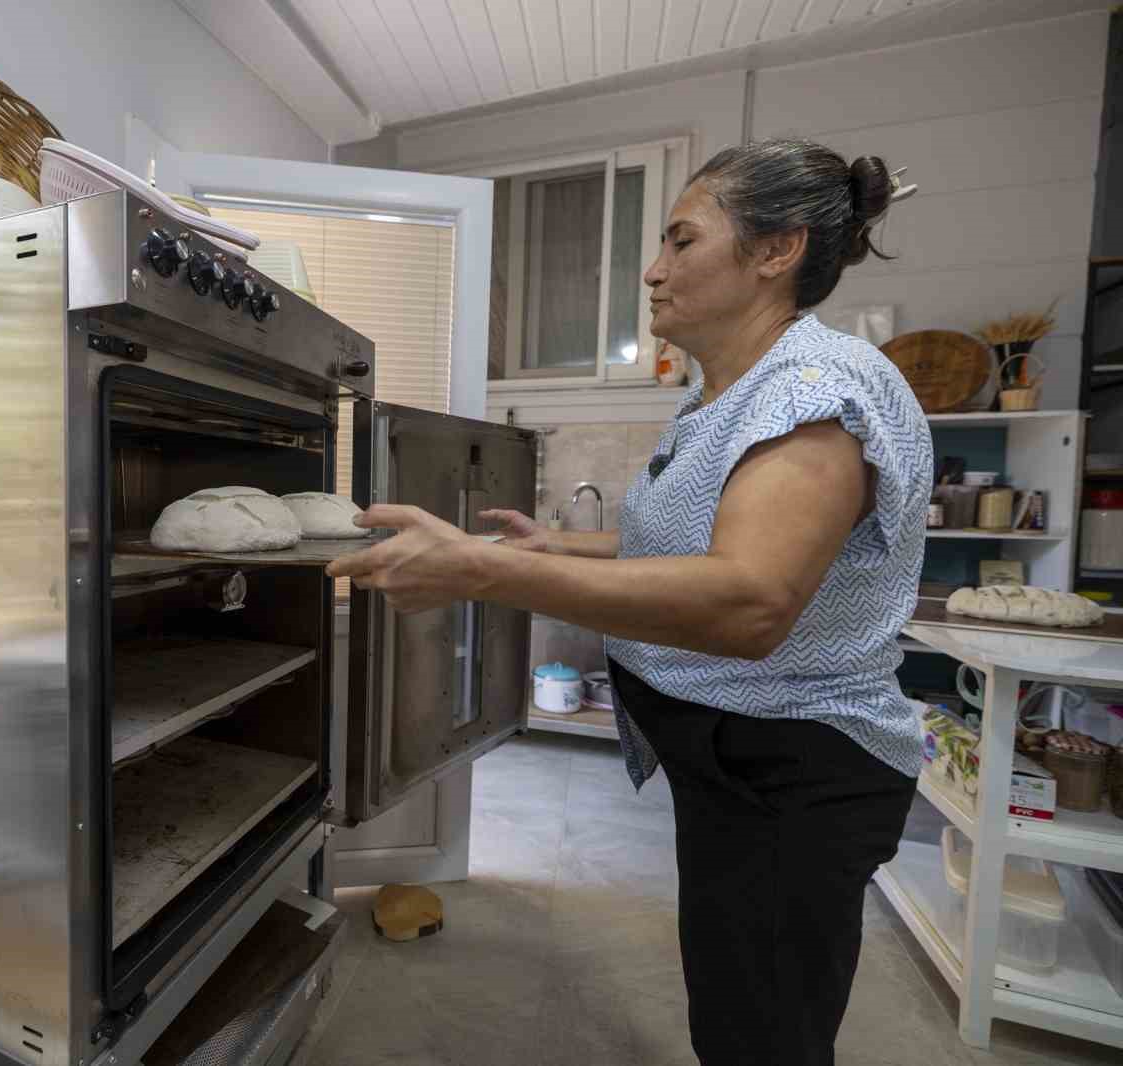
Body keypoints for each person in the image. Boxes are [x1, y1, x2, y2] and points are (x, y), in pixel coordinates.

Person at [327, 139, 933, 1066]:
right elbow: (695, 544)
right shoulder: (726, 392)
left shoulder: (815, 392)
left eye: (682, 241)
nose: (653, 271)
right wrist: (545, 546)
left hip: (793, 766)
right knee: (732, 996)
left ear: (777, 250)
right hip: (735, 758)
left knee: (762, 1032)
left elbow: (749, 601)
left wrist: (483, 573)